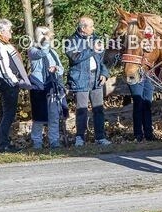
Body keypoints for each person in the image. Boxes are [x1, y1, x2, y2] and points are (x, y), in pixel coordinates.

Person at [65, 16, 111, 147]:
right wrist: (91, 49)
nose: (93, 28)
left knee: (98, 109)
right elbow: (75, 58)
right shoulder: (71, 41)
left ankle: (100, 137)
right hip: (80, 78)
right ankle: (80, 137)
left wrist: (104, 73)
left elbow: (103, 59)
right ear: (83, 28)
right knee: (82, 110)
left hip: (96, 77)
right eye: (91, 26)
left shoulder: (96, 39)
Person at [0, 18, 31, 153]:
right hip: (7, 84)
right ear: (1, 32)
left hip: (9, 83)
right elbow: (2, 68)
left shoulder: (3, 44)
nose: (11, 32)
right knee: (7, 115)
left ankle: (4, 143)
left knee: (6, 114)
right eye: (9, 30)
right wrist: (14, 81)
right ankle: (3, 145)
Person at [28, 26, 65, 150]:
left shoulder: (52, 51)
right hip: (38, 85)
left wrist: (57, 69)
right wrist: (46, 39)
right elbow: (42, 52)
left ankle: (54, 141)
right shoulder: (32, 50)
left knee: (53, 115)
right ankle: (37, 142)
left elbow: (61, 68)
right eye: (46, 35)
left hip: (51, 85)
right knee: (39, 116)